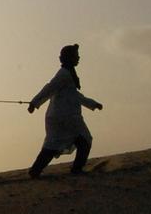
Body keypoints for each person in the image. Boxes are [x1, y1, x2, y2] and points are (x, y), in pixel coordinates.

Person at [26, 44, 103, 178]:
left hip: (58, 116)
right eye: (76, 55)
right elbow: (49, 88)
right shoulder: (64, 74)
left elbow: (74, 95)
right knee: (84, 140)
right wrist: (34, 103)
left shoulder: (68, 74)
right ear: (69, 58)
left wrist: (92, 103)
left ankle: (35, 170)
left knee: (52, 145)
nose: (78, 58)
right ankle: (76, 169)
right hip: (66, 116)